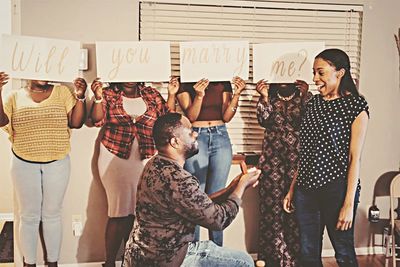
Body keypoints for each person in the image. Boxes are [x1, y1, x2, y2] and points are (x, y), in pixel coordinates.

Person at [123, 112, 261, 267]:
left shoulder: (155, 164)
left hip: (142, 255)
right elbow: (219, 220)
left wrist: (231, 188)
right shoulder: (178, 178)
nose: (195, 134)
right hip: (167, 258)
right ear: (175, 141)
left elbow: (199, 205)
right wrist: (241, 187)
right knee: (244, 261)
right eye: (190, 132)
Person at [283, 48, 369, 267]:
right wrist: (293, 188)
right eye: (314, 72)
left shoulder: (356, 107)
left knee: (344, 252)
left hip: (336, 189)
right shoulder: (312, 104)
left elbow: (354, 158)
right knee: (307, 253)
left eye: (320, 72)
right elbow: (306, 152)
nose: (315, 79)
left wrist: (348, 204)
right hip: (305, 190)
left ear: (340, 72)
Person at [0, 72, 88, 267]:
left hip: (57, 162)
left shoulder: (62, 92)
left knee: (52, 214)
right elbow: (2, 121)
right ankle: (29, 263)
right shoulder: (14, 96)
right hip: (23, 162)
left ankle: (52, 263)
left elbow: (76, 123)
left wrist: (81, 96)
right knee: (28, 216)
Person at [89, 77, 179, 267]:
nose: (130, 79)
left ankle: (130, 261)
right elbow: (97, 120)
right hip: (115, 157)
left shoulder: (151, 94)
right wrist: (97, 98)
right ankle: (110, 262)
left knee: (140, 212)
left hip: (146, 156)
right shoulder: (109, 94)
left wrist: (171, 94)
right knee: (119, 211)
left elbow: (167, 119)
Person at [176, 76, 246, 246]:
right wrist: (199, 95)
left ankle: (217, 252)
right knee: (196, 196)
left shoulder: (222, 81)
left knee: (218, 197)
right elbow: (191, 117)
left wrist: (236, 94)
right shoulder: (186, 80)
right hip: (196, 136)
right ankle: (195, 251)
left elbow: (227, 116)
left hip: (220, 135)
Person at [256, 80, 311, 267]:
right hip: (272, 160)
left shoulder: (306, 98)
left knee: (296, 208)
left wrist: (305, 96)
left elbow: (310, 121)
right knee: (271, 210)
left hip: (298, 160)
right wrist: (264, 97)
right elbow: (263, 120)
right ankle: (272, 257)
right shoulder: (269, 96)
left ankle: (293, 258)